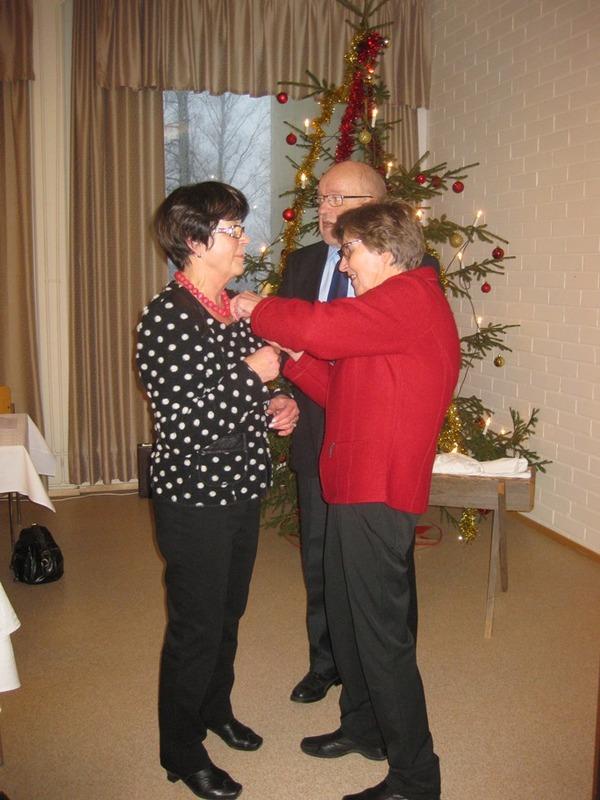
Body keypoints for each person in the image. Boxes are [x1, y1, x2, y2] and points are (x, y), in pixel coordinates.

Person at [231, 201, 460, 800]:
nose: (344, 264)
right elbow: (339, 388)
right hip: (352, 485)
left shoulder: (410, 296)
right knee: (350, 618)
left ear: (385, 250)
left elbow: (322, 326)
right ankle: (363, 727)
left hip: (378, 492)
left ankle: (416, 776)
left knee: (381, 635)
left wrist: (258, 307)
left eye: (351, 251)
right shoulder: (391, 311)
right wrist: (297, 361)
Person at [136, 181, 299, 800]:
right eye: (233, 231)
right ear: (194, 240)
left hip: (240, 488)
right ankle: (180, 751)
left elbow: (244, 396)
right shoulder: (165, 318)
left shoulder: (229, 309)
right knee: (196, 628)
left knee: (227, 614)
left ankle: (214, 709)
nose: (245, 241)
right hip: (194, 499)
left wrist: (278, 402)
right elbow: (183, 424)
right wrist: (254, 374)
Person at [279, 160, 387, 703]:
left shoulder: (405, 266)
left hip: (371, 436)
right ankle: (324, 663)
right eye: (322, 198)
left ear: (374, 206)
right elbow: (284, 343)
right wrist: (281, 393)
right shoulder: (301, 263)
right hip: (314, 429)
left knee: (372, 562)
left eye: (337, 198)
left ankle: (374, 672)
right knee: (319, 555)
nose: (324, 209)